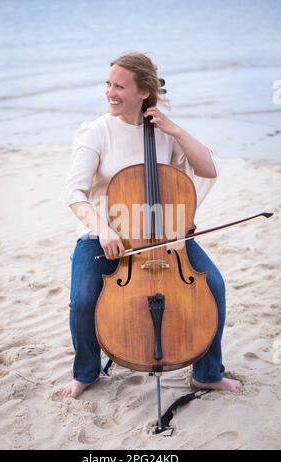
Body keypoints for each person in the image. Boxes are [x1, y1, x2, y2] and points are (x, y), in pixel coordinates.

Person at [60, 52, 242, 399]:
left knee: (213, 286)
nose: (110, 93)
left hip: (164, 233)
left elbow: (208, 169)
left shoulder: (162, 131)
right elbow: (74, 192)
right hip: (106, 233)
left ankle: (207, 373)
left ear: (144, 91)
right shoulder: (97, 132)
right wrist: (104, 228)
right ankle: (86, 371)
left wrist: (174, 129)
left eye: (120, 86)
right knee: (83, 301)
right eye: (108, 84)